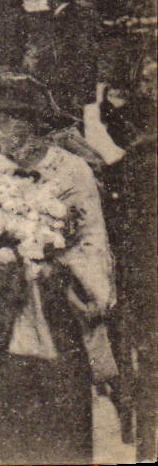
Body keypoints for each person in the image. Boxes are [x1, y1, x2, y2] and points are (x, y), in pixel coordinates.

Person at [0, 71, 114, 465]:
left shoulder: (73, 171)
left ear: (31, 123)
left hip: (58, 314)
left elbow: (94, 244)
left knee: (62, 427)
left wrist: (59, 263)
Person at [103, 53, 157, 458]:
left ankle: (139, 433)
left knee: (139, 351)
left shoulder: (126, 169)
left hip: (137, 274)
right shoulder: (130, 167)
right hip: (142, 271)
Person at [31, 0, 99, 133]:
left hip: (66, 87)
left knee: (67, 132)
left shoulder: (68, 18)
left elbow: (77, 54)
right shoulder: (69, 14)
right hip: (67, 88)